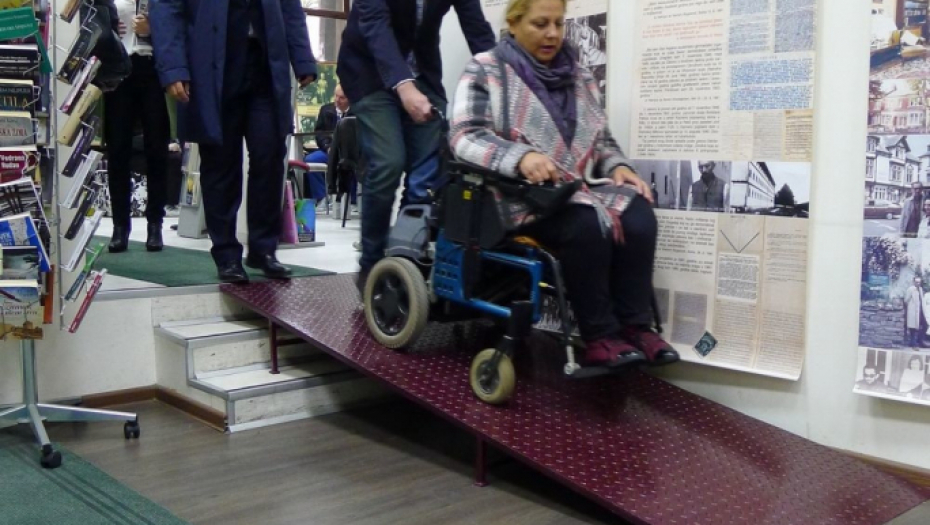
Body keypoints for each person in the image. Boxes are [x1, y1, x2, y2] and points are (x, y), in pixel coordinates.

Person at [449, 0, 678, 367]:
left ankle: (636, 326)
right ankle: (599, 335)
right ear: (514, 23)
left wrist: (619, 166)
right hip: (516, 198)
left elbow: (601, 141)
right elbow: (465, 137)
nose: (552, 33)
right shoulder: (485, 69)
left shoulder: (580, 76)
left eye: (558, 23)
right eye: (540, 24)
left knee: (638, 215)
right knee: (586, 225)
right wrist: (520, 157)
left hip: (571, 191)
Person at [150, 0, 317, 283]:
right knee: (221, 162)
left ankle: (264, 249)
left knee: (270, 154)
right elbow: (166, 8)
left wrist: (302, 57)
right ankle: (226, 254)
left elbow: (290, 6)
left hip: (264, 62)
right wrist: (173, 67)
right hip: (211, 63)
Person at [337, 0, 496, 287]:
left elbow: (477, 29)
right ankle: (371, 266)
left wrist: (504, 84)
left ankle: (404, 261)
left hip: (423, 74)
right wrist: (403, 85)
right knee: (388, 161)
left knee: (426, 178)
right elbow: (375, 26)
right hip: (368, 72)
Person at [104, 0, 170, 254]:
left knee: (157, 149)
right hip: (118, 69)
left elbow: (178, 25)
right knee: (117, 149)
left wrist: (153, 30)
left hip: (153, 69)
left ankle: (155, 224)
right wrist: (109, 29)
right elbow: (94, 21)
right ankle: (120, 226)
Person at [304, 84, 351, 205]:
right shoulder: (326, 110)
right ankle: (321, 198)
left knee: (358, 164)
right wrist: (328, 147)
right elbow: (319, 133)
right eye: (336, 96)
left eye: (342, 98)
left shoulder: (357, 112)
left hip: (350, 153)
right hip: (329, 150)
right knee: (310, 160)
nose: (337, 100)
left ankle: (353, 200)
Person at [905, 276, 924, 348]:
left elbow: (921, 299)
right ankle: (913, 343)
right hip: (912, 311)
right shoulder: (910, 289)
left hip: (919, 311)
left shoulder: (921, 289)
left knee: (919, 326)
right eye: (916, 282)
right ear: (914, 282)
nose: (918, 283)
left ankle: (913, 342)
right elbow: (906, 300)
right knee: (912, 327)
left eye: (919, 282)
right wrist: (911, 306)